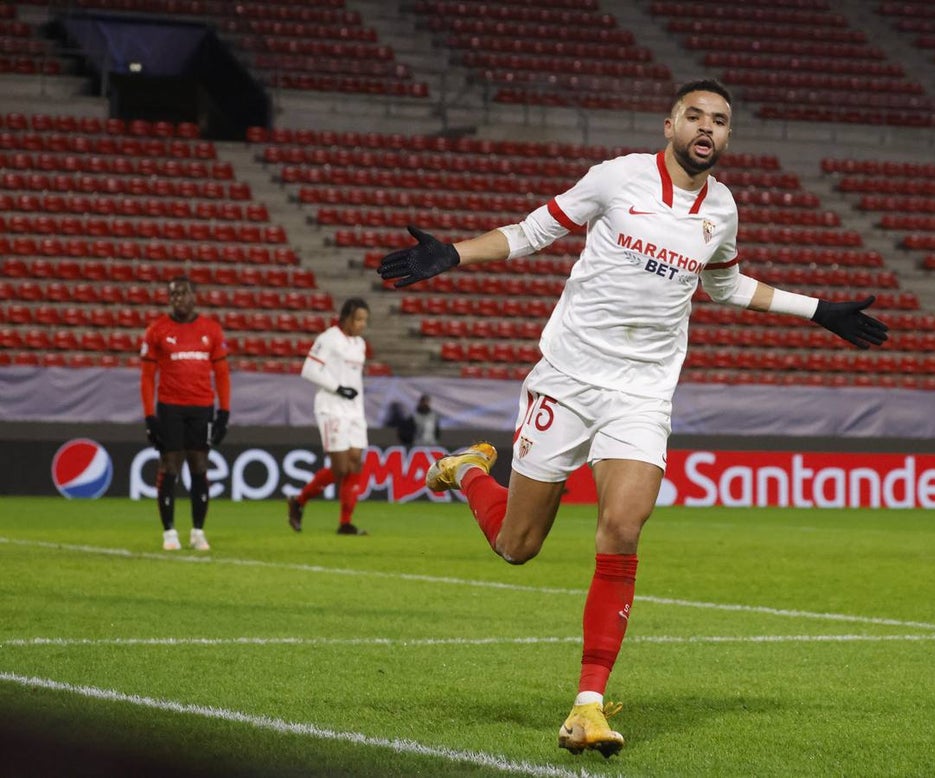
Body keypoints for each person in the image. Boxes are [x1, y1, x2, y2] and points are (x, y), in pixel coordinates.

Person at [377, 79, 889, 758]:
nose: (707, 128)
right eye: (695, 116)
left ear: (728, 136)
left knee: (622, 526)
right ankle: (468, 470)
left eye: (720, 121)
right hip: (568, 379)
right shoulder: (616, 178)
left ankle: (588, 706)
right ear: (670, 125)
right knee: (516, 546)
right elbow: (532, 233)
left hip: (642, 393)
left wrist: (818, 309)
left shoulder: (722, 209)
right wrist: (454, 254)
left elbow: (725, 285)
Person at [140, 275, 231, 552]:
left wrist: (224, 413)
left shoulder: (211, 330)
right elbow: (147, 377)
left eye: (182, 293)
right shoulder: (157, 330)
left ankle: (197, 532)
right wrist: (150, 416)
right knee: (169, 466)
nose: (177, 298)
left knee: (199, 466)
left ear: (194, 296)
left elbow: (222, 374)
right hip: (170, 407)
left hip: (202, 407)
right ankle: (169, 532)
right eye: (173, 294)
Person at [288, 298, 372, 535]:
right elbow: (309, 370)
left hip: (355, 410)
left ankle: (345, 523)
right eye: (358, 319)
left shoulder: (360, 344)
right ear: (346, 318)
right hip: (331, 408)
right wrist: (338, 388)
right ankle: (298, 501)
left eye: (365, 320)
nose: (362, 324)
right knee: (340, 469)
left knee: (356, 462)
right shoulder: (328, 338)